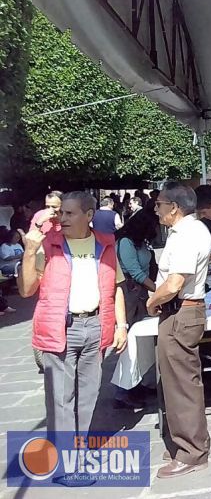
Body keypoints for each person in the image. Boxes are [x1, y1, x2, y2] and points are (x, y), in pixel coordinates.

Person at [17, 192, 128, 453]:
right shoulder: (49, 245)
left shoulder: (106, 244)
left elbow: (116, 287)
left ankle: (80, 448)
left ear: (88, 216)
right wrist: (30, 252)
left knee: (89, 396)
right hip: (60, 328)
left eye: (69, 213)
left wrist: (121, 325)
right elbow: (26, 289)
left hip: (95, 326)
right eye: (60, 213)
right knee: (60, 399)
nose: (61, 218)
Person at [146, 182, 211, 479]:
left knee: (182, 385)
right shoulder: (186, 231)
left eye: (160, 204)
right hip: (180, 312)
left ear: (174, 207)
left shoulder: (187, 234)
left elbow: (175, 283)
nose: (156, 209)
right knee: (175, 383)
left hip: (181, 312)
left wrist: (152, 301)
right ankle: (184, 442)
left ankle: (192, 452)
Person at [116, 211, 159, 327]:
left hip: (141, 292)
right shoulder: (126, 242)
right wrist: (157, 290)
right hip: (130, 292)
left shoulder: (141, 242)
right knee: (133, 325)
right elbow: (136, 273)